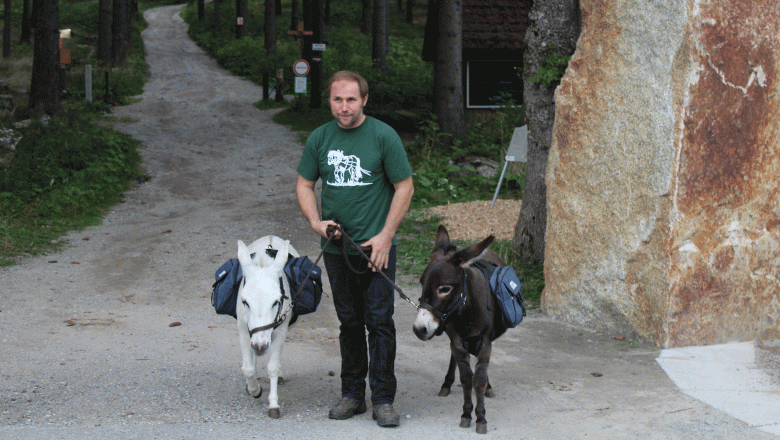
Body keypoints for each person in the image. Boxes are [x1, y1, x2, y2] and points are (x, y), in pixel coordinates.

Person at [295, 71, 414, 428]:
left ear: (364, 99)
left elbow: (404, 187)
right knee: (349, 322)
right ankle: (352, 394)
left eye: (350, 99)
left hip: (376, 249)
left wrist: (385, 235)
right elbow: (304, 184)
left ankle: (383, 399)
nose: (344, 107)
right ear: (330, 100)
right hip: (336, 249)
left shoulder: (382, 136)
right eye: (337, 100)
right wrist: (317, 223)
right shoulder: (320, 138)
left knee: (379, 322)